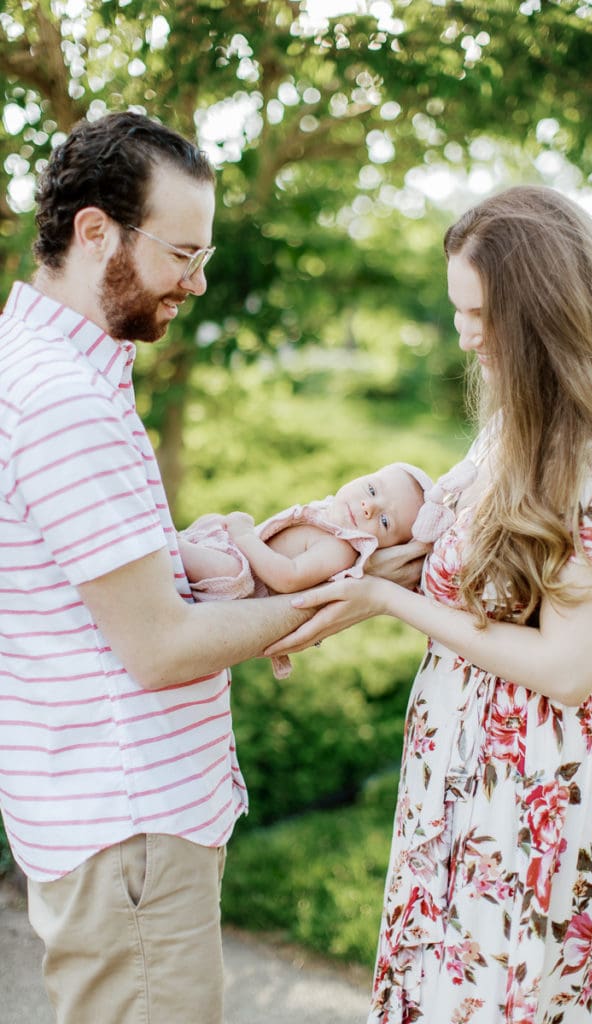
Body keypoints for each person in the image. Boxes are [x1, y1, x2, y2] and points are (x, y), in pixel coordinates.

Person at [0, 110, 425, 1024]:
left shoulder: (43, 367)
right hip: (131, 832)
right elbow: (159, 647)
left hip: (115, 826)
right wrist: (357, 593)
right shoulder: (62, 399)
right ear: (95, 232)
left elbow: (84, 592)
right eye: (183, 254)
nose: (197, 282)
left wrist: (210, 555)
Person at [265, 186, 592, 1023]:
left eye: (478, 312)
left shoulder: (589, 459)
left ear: (539, 313)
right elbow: (457, 569)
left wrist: (386, 601)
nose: (462, 332)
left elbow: (563, 670)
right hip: (458, 764)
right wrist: (322, 596)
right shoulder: (512, 425)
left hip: (526, 789)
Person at [179, 461, 447, 678]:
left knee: (227, 566)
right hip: (231, 552)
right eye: (372, 489)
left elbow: (288, 577)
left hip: (238, 585)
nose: (369, 507)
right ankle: (181, 545)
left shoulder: (340, 549)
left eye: (385, 521)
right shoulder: (330, 513)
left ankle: (171, 549)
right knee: (211, 522)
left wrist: (244, 536)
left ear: (384, 548)